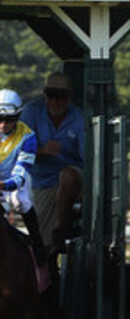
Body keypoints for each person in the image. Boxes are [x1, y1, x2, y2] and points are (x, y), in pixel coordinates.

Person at [20, 71, 85, 254]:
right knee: (40, 241)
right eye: (51, 95)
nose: (55, 101)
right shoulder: (31, 112)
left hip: (74, 177)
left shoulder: (78, 118)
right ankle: (49, 273)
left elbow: (86, 157)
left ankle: (59, 228)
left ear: (69, 97)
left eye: (61, 96)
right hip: (43, 180)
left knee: (68, 175)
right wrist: (42, 150)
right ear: (45, 95)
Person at [0, 88, 49, 268]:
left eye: (9, 119)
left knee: (20, 201)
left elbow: (20, 175)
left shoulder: (28, 136)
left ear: (18, 116)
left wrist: (5, 185)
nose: (3, 125)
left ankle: (37, 244)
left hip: (15, 181)